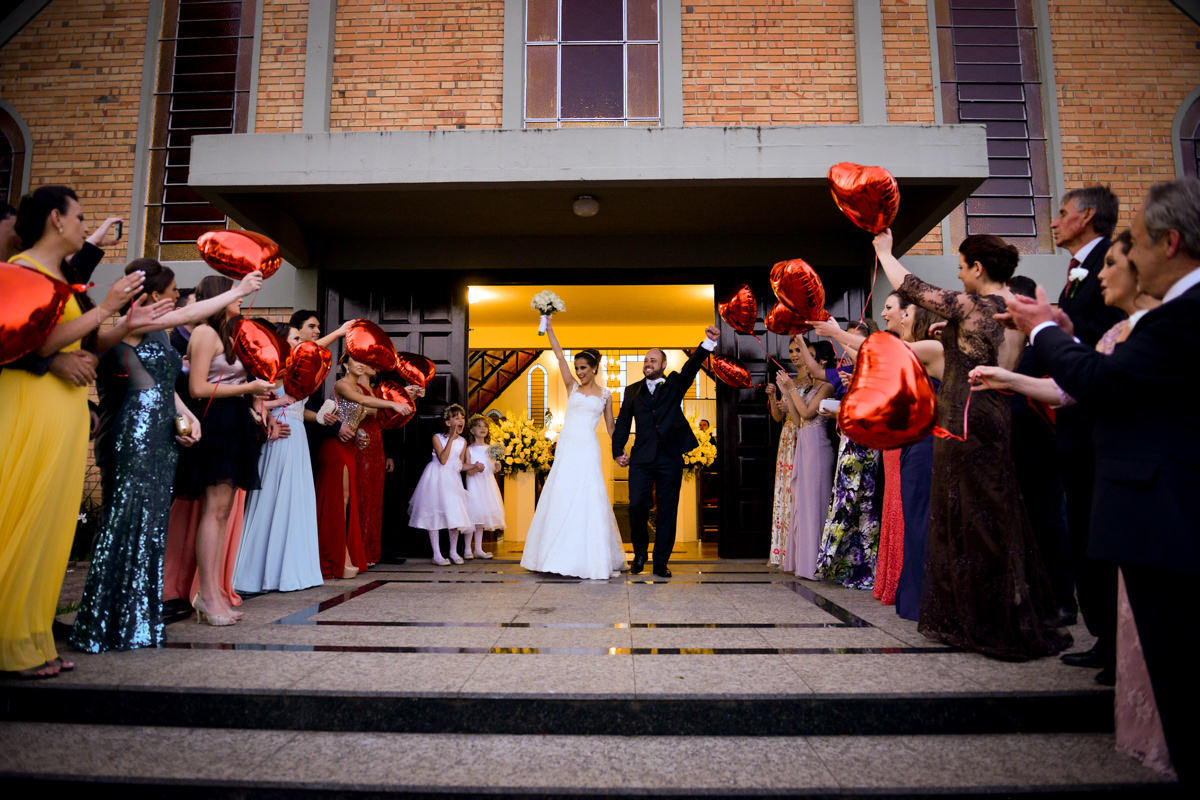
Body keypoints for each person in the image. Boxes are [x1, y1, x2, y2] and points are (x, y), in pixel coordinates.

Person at [1001, 177, 1200, 784]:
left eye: (1133, 246)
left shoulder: (1176, 320)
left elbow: (1098, 383)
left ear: (1169, 243)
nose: (1129, 261)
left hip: (1167, 512)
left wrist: (1042, 329)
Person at [972, 230, 1168, 767]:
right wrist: (1005, 376)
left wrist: (1043, 332)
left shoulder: (1155, 329)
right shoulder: (1119, 331)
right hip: (1114, 472)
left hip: (1146, 483)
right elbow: (1064, 388)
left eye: (1111, 264)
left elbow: (1089, 380)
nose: (1099, 274)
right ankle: (1107, 645)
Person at [873, 228, 1070, 660]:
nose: (959, 277)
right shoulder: (1017, 311)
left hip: (961, 421)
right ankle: (1004, 611)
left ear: (978, 269)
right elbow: (987, 353)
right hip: (997, 417)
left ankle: (979, 620)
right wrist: (951, 334)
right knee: (995, 514)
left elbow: (913, 287)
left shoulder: (973, 304)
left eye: (962, 268)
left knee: (964, 518)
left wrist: (884, 250)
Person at [1, 187, 154, 678]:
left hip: (66, 410)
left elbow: (88, 340)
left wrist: (123, 323)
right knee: (22, 516)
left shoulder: (61, 279)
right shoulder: (20, 271)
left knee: (50, 524)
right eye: (79, 217)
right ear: (56, 219)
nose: (83, 225)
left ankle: (33, 637)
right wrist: (105, 306)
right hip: (32, 406)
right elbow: (34, 340)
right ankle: (10, 645)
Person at [69, 261, 262, 652]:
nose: (178, 296)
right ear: (155, 296)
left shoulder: (158, 331)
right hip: (134, 432)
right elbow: (192, 312)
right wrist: (239, 289)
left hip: (162, 433)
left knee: (152, 526)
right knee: (126, 521)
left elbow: (165, 384)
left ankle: (138, 616)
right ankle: (107, 618)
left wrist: (185, 415)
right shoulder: (135, 322)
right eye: (173, 289)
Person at [1051, 186, 1125, 682]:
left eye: (1062, 213)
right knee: (1081, 526)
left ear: (1087, 217)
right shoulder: (1080, 269)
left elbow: (1099, 332)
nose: (1055, 221)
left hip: (1094, 417)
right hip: (1072, 418)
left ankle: (1113, 640)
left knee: (1095, 530)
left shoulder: (1109, 265)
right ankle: (1103, 635)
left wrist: (1050, 328)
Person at [172, 276, 276, 626]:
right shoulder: (204, 333)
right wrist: (248, 385)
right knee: (213, 512)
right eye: (233, 292)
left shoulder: (234, 335)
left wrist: (258, 391)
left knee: (223, 513)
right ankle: (208, 595)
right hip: (213, 422)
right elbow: (197, 387)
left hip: (235, 422)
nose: (240, 298)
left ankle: (215, 590)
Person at [613, 326, 720, 578]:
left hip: (669, 457)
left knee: (667, 509)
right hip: (641, 458)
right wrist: (618, 451)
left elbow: (691, 367)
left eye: (653, 360)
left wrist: (708, 343)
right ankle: (640, 554)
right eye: (646, 360)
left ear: (663, 364)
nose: (648, 363)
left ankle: (661, 561)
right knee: (636, 506)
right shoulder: (631, 391)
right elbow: (623, 423)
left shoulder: (673, 384)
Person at [522, 319, 625, 579]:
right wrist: (550, 328)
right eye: (577, 368)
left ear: (594, 369)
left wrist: (620, 451)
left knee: (589, 496)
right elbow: (558, 356)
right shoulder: (572, 387)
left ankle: (591, 558)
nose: (579, 372)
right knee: (562, 493)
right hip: (567, 446)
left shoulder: (606, 396)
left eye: (583, 368)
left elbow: (612, 429)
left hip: (588, 448)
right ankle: (553, 555)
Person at [231, 320, 325, 595]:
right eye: (295, 338)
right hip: (279, 436)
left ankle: (295, 568)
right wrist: (277, 405)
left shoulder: (298, 371)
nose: (300, 342)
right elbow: (254, 401)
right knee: (275, 498)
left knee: (296, 500)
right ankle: (260, 569)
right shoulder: (274, 371)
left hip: (297, 436)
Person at [317, 355, 410, 576]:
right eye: (355, 361)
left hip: (350, 445)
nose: (360, 365)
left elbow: (356, 416)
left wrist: (359, 434)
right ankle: (337, 557)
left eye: (363, 361)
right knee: (341, 500)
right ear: (345, 365)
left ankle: (346, 553)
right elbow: (365, 404)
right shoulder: (342, 384)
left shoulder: (363, 389)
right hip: (334, 446)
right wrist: (393, 403)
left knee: (348, 499)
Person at [776, 339, 836, 580]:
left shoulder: (827, 386)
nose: (804, 360)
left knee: (814, 503)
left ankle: (815, 563)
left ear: (821, 361)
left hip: (818, 448)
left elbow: (808, 413)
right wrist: (786, 393)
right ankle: (803, 562)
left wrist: (791, 389)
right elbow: (799, 419)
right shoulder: (812, 388)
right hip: (804, 444)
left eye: (809, 355)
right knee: (801, 501)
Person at [409, 404, 474, 566]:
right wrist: (451, 439)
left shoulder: (464, 441)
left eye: (462, 417)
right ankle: (437, 553)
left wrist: (474, 466)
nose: (461, 420)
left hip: (453, 480)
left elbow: (458, 464)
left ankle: (453, 551)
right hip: (436, 478)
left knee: (454, 514)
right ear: (447, 423)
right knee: (434, 513)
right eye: (456, 417)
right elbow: (443, 460)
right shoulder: (437, 438)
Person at [764, 336, 810, 568]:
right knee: (785, 492)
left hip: (803, 435)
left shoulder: (813, 380)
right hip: (787, 436)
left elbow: (803, 414)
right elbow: (778, 417)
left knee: (799, 492)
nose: (794, 355)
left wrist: (789, 404)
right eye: (791, 351)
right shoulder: (788, 380)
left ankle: (799, 551)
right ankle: (782, 550)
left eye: (798, 350)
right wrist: (773, 397)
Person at [462, 414, 503, 559]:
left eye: (485, 426)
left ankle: (478, 549)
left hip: (487, 484)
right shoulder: (469, 449)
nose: (482, 428)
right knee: (473, 515)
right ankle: (467, 549)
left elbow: (492, 467)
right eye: (478, 426)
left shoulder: (490, 448)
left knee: (481, 517)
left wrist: (497, 466)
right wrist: (475, 468)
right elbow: (466, 468)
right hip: (474, 483)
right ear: (472, 430)